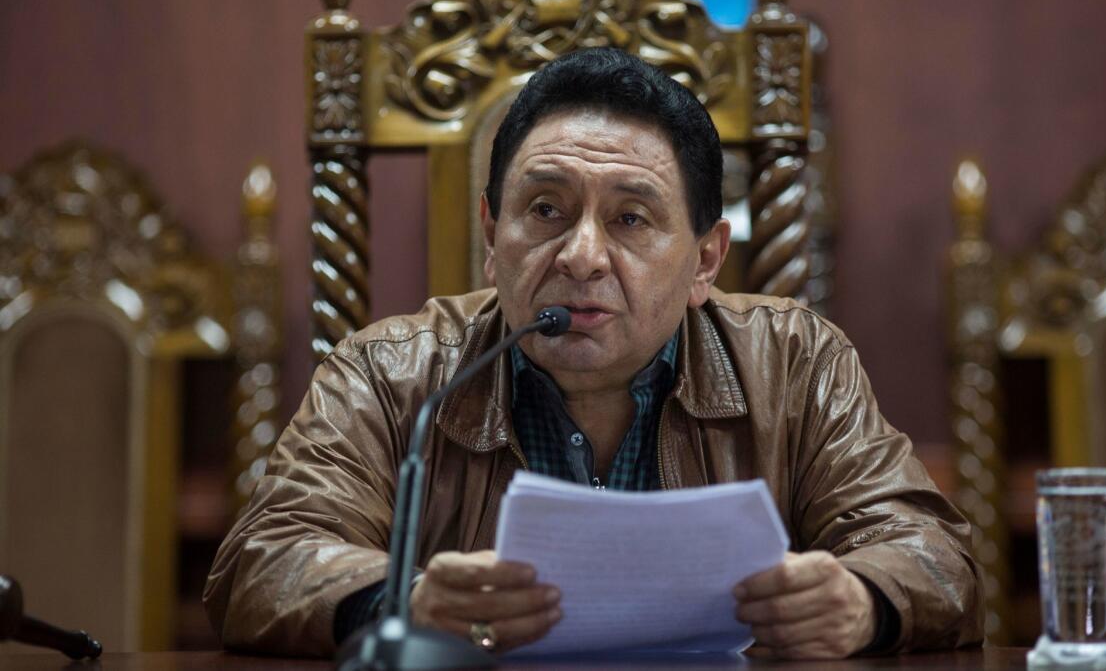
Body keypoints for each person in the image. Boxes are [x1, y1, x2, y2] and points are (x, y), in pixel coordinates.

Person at [204, 47, 983, 660]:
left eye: (631, 219)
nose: (581, 254)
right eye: (545, 208)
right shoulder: (392, 374)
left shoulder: (797, 362)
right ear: (490, 235)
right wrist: (399, 600)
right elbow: (261, 560)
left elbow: (937, 557)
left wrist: (862, 600)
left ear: (705, 260)